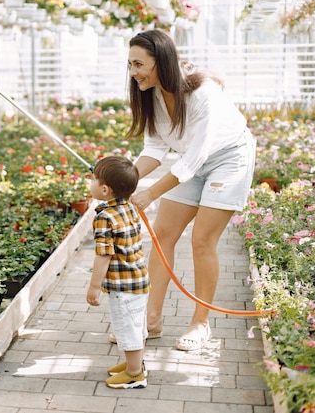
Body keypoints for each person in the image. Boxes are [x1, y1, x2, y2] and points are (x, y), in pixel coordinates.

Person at [125, 29, 256, 351]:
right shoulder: (151, 94)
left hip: (229, 158)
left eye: (139, 64)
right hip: (190, 163)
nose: (133, 72)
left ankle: (200, 324)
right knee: (164, 231)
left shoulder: (203, 93)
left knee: (201, 240)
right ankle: (151, 319)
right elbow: (154, 149)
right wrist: (126, 181)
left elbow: (196, 157)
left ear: (162, 61)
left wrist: (150, 193)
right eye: (130, 64)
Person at [86, 155, 149, 389]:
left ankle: (134, 374)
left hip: (123, 285)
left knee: (128, 327)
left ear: (104, 189)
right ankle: (135, 363)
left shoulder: (104, 217)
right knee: (136, 325)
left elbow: (104, 254)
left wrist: (94, 286)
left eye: (93, 180)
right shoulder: (129, 207)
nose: (90, 183)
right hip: (139, 279)